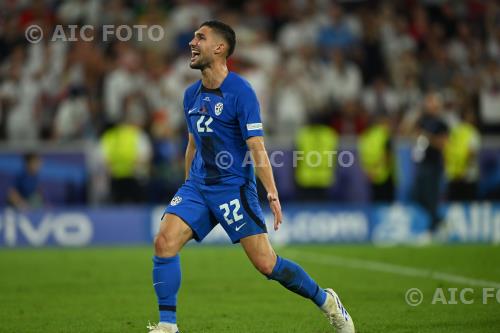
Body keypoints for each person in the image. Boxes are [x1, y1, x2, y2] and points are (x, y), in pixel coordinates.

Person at [147, 21, 355, 333]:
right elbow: (193, 143)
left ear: (219, 48)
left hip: (233, 189)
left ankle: (326, 301)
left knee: (266, 264)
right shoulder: (190, 95)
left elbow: (256, 146)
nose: (192, 42)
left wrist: (270, 191)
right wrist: (188, 184)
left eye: (200, 37)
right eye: (193, 37)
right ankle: (167, 326)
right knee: (164, 242)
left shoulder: (241, 92)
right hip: (199, 187)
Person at [411, 92, 449, 232]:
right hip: (422, 163)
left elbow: (443, 144)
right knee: (417, 196)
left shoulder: (441, 124)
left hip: (434, 164)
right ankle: (439, 220)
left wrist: (427, 137)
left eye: (431, 103)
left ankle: (432, 229)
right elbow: (409, 132)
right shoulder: (421, 121)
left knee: (431, 196)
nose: (428, 106)